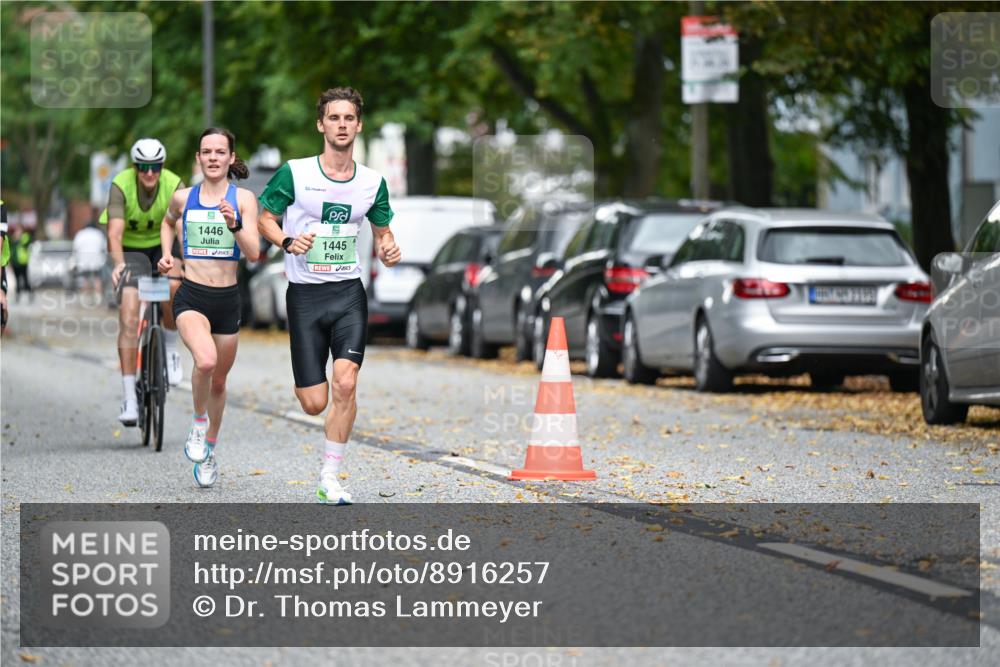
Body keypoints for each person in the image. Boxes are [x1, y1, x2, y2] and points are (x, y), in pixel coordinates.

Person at [258, 86, 400, 505]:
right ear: (321, 125)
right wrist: (287, 241)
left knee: (346, 382)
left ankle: (330, 476)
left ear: (359, 125)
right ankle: (309, 388)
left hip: (348, 293)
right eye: (334, 118)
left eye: (349, 118)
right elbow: (265, 219)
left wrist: (389, 247)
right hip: (305, 296)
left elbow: (383, 233)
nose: (342, 125)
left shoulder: (372, 182)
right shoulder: (295, 173)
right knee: (313, 402)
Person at [158, 128, 260, 487]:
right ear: (198, 158)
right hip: (192, 296)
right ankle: (199, 423)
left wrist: (235, 224)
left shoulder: (243, 199)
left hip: (227, 300)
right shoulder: (183, 198)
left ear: (231, 158)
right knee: (205, 361)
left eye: (220, 152)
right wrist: (167, 254)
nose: (213, 157)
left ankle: (209, 450)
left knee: (218, 382)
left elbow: (254, 253)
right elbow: (167, 222)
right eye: (207, 152)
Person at [101, 138, 186, 427]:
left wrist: (188, 262)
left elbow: (183, 226)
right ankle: (129, 397)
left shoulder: (174, 184)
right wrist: (118, 264)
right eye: (143, 167)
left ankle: (170, 349)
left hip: (164, 246)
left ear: (162, 166)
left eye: (155, 167)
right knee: (128, 316)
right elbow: (114, 233)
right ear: (135, 167)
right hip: (132, 252)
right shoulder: (121, 184)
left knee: (174, 286)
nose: (150, 173)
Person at [71, 220, 107, 296]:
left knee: (85, 279)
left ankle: (85, 297)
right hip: (97, 261)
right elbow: (104, 248)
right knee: (97, 279)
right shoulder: (98, 234)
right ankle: (98, 297)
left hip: (84, 261)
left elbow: (75, 248)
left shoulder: (80, 234)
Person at [10, 224, 32, 303]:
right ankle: (17, 296)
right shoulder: (13, 238)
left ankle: (30, 294)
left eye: (19, 230)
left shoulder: (25, 237)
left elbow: (26, 244)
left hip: (23, 263)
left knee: (25, 279)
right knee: (17, 280)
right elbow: (12, 250)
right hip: (15, 263)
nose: (17, 232)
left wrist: (18, 238)